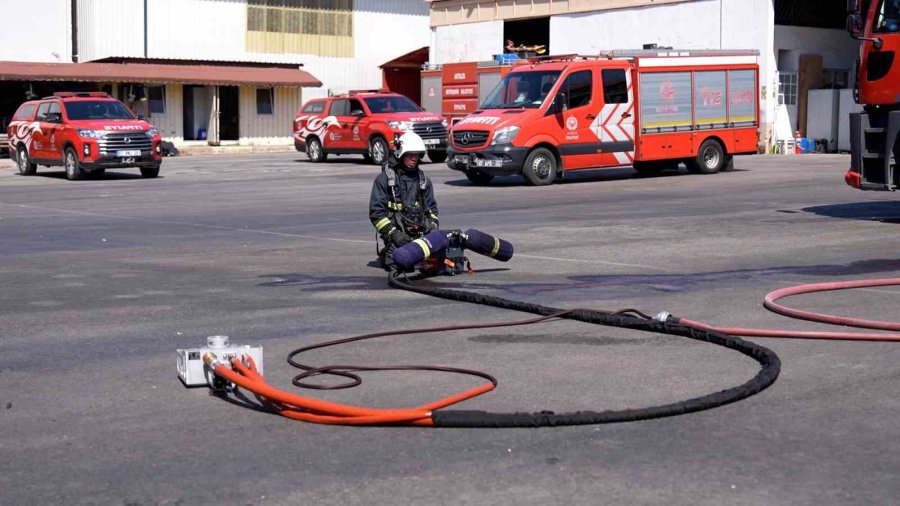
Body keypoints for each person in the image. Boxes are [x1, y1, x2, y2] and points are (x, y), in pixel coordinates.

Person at [369, 131, 439, 270]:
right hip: (397, 237)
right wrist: (394, 234)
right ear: (401, 154)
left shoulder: (424, 181)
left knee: (441, 260)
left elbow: (432, 210)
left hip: (421, 235)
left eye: (417, 154)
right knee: (397, 262)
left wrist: (432, 227)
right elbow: (377, 214)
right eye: (410, 154)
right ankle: (389, 252)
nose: (414, 158)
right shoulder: (385, 180)